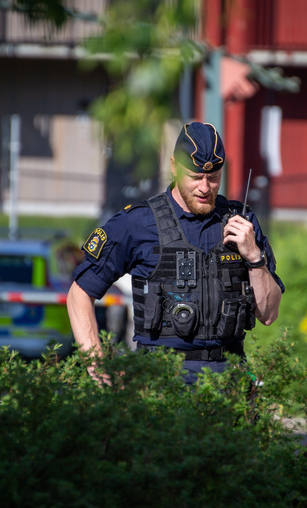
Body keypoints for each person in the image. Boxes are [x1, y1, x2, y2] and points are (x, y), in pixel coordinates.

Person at [67, 121, 284, 384]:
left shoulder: (242, 222)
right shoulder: (137, 223)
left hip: (229, 379)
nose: (205, 187)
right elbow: (79, 293)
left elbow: (269, 315)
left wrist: (254, 259)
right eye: (195, 177)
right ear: (174, 166)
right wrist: (98, 367)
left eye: (213, 177)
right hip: (161, 380)